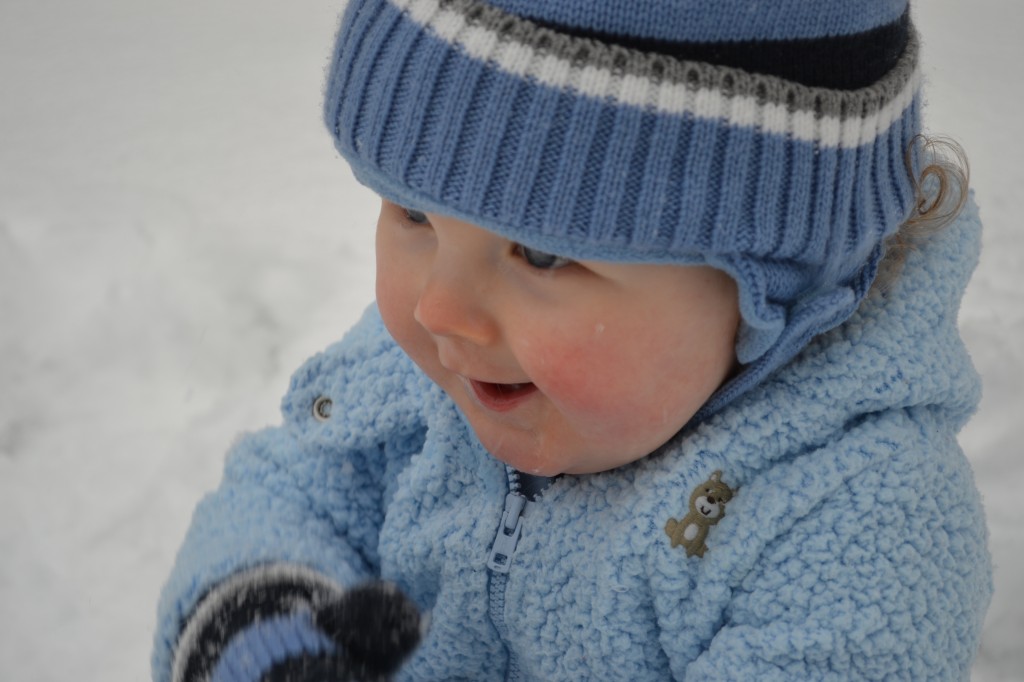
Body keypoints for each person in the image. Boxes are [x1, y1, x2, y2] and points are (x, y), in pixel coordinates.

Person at [152, 1, 992, 680]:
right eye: (412, 214)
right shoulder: (453, 364)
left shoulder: (856, 537)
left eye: (542, 254)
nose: (442, 310)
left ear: (772, 287)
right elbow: (292, 487)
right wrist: (265, 644)